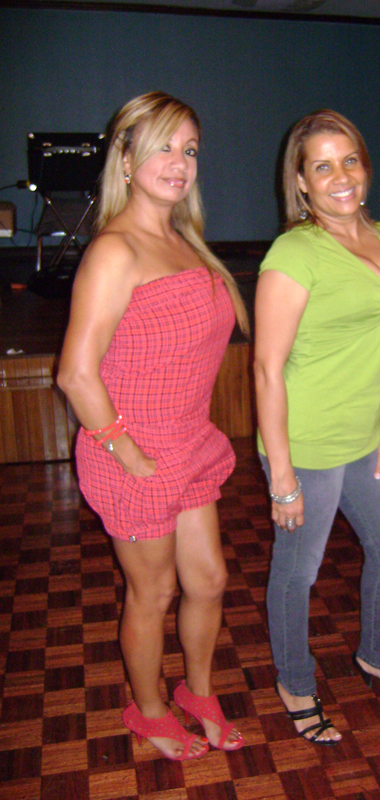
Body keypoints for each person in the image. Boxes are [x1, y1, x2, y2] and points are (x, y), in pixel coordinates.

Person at [58, 92, 248, 761]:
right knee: (155, 590)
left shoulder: (183, 241)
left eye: (189, 149)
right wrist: (127, 452)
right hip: (130, 452)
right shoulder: (115, 251)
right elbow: (75, 374)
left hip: (188, 443)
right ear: (126, 158)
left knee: (209, 580)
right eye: (163, 146)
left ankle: (198, 692)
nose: (179, 162)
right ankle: (148, 710)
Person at [253, 109, 380, 745]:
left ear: (366, 166)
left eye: (349, 160)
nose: (341, 176)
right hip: (307, 442)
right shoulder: (294, 253)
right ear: (300, 182)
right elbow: (267, 368)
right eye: (321, 166)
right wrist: (283, 479)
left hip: (365, 438)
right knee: (299, 571)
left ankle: (376, 655)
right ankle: (295, 681)